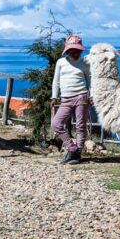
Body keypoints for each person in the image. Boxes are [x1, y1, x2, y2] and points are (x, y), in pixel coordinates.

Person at [51, 34, 91, 164]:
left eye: (77, 50)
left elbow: (90, 81)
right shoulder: (61, 62)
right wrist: (54, 96)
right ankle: (71, 148)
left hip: (81, 97)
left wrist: (91, 96)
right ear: (67, 50)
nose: (75, 52)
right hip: (65, 98)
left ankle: (77, 152)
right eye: (72, 50)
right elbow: (56, 81)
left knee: (80, 126)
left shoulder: (85, 63)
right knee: (56, 124)